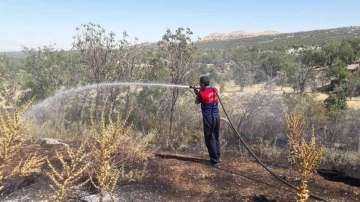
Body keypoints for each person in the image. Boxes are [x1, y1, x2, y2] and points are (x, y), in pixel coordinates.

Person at [193, 76, 221, 166]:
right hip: (216, 117)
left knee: (209, 138)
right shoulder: (215, 89)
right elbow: (203, 97)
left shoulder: (202, 93)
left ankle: (214, 160)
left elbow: (197, 101)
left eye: (200, 83)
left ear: (202, 84)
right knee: (215, 137)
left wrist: (196, 90)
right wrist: (200, 90)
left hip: (208, 118)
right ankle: (217, 156)